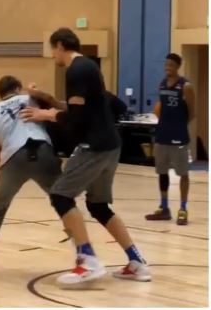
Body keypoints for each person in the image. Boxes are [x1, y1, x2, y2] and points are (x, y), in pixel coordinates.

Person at [20, 28, 150, 285]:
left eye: (52, 49)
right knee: (98, 206)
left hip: (95, 146)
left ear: (59, 45)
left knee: (60, 195)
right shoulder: (88, 66)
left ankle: (88, 261)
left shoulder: (76, 70)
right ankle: (137, 262)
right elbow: (82, 109)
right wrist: (46, 99)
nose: (52, 56)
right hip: (110, 145)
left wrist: (45, 115)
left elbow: (77, 119)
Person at [0, 76, 61, 276]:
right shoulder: (32, 98)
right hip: (42, 150)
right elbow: (60, 112)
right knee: (64, 202)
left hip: (13, 158)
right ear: (18, 89)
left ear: (0, 94)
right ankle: (83, 255)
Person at [145, 53, 195, 225]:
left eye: (171, 65)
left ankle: (183, 209)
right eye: (166, 64)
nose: (168, 68)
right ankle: (164, 207)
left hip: (179, 137)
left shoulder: (186, 86)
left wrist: (178, 126)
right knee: (162, 172)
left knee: (183, 173)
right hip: (162, 136)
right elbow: (161, 108)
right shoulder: (162, 84)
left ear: (178, 66)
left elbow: (192, 113)